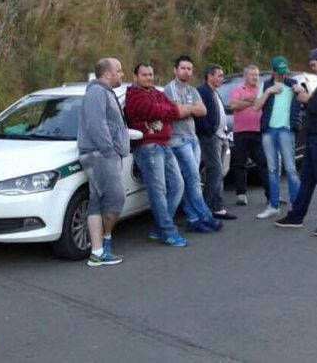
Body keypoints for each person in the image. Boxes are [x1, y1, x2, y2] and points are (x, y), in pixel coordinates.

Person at [275, 47, 317, 236]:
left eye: (313, 65)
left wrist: (307, 99)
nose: (312, 68)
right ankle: (296, 216)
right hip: (315, 138)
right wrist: (307, 97)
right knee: (307, 179)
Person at [125, 63, 189, 247]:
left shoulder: (156, 93)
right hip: (148, 147)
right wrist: (164, 110)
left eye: (151, 74)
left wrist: (164, 110)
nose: (149, 78)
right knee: (158, 190)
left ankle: (159, 228)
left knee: (178, 185)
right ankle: (168, 232)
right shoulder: (133, 95)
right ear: (135, 77)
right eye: (144, 75)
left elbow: (173, 110)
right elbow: (153, 110)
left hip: (165, 144)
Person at [77, 58, 128, 267]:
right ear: (107, 74)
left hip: (101, 154)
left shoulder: (104, 92)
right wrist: (109, 151)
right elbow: (96, 124)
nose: (122, 74)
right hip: (101, 155)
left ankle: (97, 252)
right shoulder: (97, 93)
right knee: (117, 200)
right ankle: (105, 242)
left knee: (97, 201)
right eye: (119, 70)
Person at [164, 55, 224, 233]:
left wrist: (187, 108)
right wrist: (191, 109)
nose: (186, 72)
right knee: (194, 179)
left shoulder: (192, 90)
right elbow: (178, 112)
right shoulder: (170, 88)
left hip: (192, 139)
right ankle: (206, 215)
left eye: (189, 69)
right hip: (178, 139)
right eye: (182, 68)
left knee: (190, 180)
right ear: (175, 70)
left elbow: (203, 110)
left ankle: (193, 219)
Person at [252, 56, 302, 219]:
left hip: (286, 130)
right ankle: (274, 206)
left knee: (291, 169)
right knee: (272, 169)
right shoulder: (266, 85)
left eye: (285, 72)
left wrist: (301, 91)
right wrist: (268, 92)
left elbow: (305, 100)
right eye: (280, 73)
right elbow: (256, 107)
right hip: (269, 131)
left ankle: (296, 207)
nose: (283, 76)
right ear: (273, 72)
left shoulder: (293, 84)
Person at [195, 64, 236, 220]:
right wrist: (208, 131)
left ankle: (218, 207)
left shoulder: (214, 91)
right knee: (215, 171)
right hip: (210, 138)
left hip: (221, 136)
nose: (222, 78)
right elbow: (200, 115)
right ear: (210, 76)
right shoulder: (202, 91)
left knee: (219, 172)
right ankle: (203, 209)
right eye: (219, 75)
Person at [229, 65, 270, 207]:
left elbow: (265, 105)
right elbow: (234, 106)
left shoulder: (262, 90)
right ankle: (241, 194)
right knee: (240, 164)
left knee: (263, 164)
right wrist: (252, 100)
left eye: (257, 75)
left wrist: (247, 100)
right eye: (252, 74)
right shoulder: (237, 90)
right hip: (240, 132)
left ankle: (271, 194)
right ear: (245, 76)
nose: (255, 77)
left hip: (259, 132)